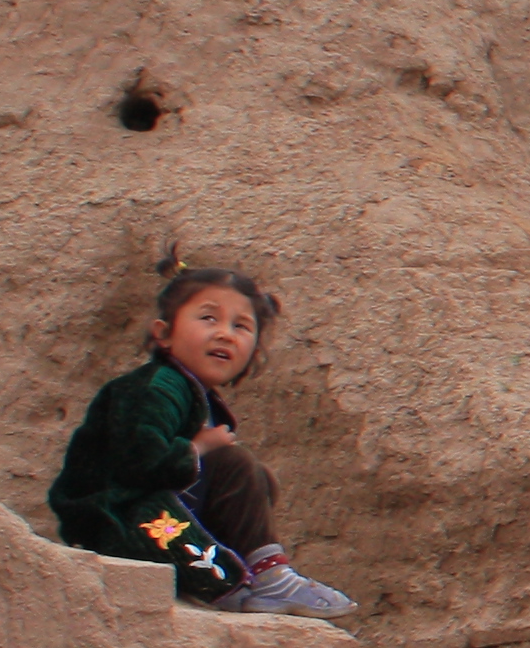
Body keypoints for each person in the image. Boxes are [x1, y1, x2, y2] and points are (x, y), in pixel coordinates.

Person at [45, 264, 354, 618]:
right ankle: (260, 582)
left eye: (241, 326)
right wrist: (198, 448)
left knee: (256, 477)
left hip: (154, 512)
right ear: (164, 334)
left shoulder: (193, 394)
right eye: (209, 318)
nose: (225, 334)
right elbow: (137, 463)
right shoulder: (155, 388)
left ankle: (260, 576)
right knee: (233, 465)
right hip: (114, 519)